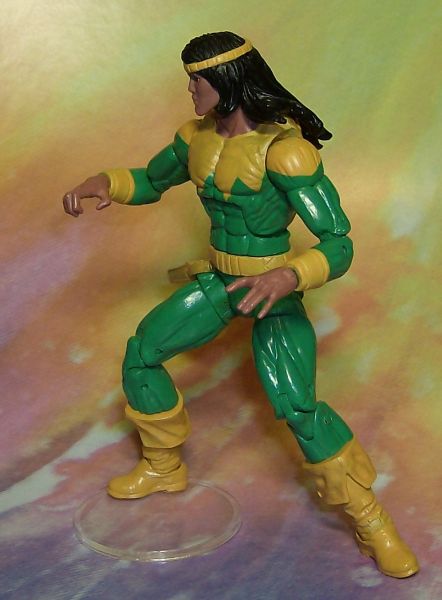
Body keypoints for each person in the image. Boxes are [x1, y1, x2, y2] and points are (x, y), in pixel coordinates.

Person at [63, 32, 418, 578]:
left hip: (272, 290)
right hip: (221, 283)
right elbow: (151, 180)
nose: (190, 90)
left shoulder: (286, 151)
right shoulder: (195, 140)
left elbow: (339, 242)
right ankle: (163, 466)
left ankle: (372, 522)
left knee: (299, 408)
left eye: (197, 80)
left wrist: (290, 274)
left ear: (227, 81)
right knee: (142, 353)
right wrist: (105, 182)